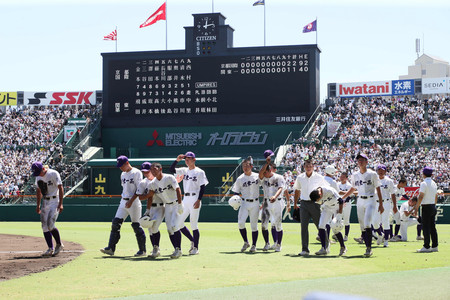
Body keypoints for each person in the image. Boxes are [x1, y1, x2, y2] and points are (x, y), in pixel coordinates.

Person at [100, 156, 146, 257]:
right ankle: (111, 248)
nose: (120, 168)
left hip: (134, 202)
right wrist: (126, 201)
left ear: (127, 163)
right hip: (123, 201)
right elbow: (124, 188)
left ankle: (142, 250)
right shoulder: (123, 174)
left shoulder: (136, 172)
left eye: (121, 165)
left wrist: (131, 201)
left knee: (136, 226)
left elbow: (139, 189)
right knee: (116, 223)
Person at [341, 153, 384, 257]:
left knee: (367, 223)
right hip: (360, 200)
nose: (360, 161)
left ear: (366, 162)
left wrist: (381, 204)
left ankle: (369, 248)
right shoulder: (355, 175)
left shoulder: (372, 174)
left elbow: (378, 188)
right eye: (359, 160)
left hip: (371, 200)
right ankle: (367, 245)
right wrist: (343, 197)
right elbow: (353, 188)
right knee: (362, 226)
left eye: (362, 160)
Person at [170, 151, 208, 255]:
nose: (187, 160)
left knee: (193, 224)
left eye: (189, 159)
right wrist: (177, 160)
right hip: (185, 199)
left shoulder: (200, 172)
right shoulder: (184, 170)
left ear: (194, 160)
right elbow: (171, 169)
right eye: (186, 159)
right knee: (178, 223)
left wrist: (199, 200)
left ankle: (196, 248)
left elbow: (202, 187)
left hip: (195, 198)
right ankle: (192, 240)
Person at [147, 162, 184, 258]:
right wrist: (147, 210)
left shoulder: (169, 178)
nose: (153, 171)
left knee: (174, 226)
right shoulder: (153, 183)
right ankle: (176, 249)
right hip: (167, 205)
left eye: (154, 169)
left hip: (176, 203)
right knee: (169, 229)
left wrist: (180, 204)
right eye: (151, 170)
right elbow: (150, 197)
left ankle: (179, 250)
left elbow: (178, 190)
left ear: (160, 169)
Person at [293, 159, 326, 256]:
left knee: (320, 226)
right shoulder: (300, 177)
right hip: (303, 203)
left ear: (313, 167)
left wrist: (321, 201)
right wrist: (295, 204)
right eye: (307, 166)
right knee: (303, 227)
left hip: (315, 204)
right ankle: (305, 249)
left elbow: (324, 190)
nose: (308, 167)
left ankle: (325, 246)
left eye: (310, 166)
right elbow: (297, 190)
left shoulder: (319, 177)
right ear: (304, 167)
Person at [32, 162, 64, 257]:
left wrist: (61, 203)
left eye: (38, 172)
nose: (37, 174)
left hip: (55, 200)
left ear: (43, 169)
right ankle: (50, 248)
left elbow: (60, 188)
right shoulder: (38, 177)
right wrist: (38, 205)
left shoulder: (53, 173)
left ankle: (59, 244)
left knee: (50, 225)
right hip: (45, 202)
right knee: (44, 226)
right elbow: (38, 192)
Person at [231, 156, 261, 253]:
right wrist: (235, 200)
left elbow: (264, 185)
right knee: (240, 223)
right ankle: (246, 242)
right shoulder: (240, 178)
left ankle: (254, 245)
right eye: (244, 166)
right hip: (244, 202)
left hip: (255, 202)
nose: (245, 167)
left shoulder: (257, 176)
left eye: (247, 165)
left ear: (251, 166)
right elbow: (235, 192)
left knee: (254, 226)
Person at [136, 162, 165, 258]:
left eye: (147, 171)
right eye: (144, 172)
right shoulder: (144, 183)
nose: (146, 173)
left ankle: (156, 248)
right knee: (150, 229)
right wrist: (147, 210)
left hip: (161, 206)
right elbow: (141, 197)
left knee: (155, 227)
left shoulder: (159, 180)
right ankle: (155, 248)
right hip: (151, 207)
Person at [259, 154, 286, 252]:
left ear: (269, 171)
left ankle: (279, 244)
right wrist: (267, 162)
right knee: (264, 224)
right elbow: (260, 174)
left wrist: (275, 196)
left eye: (265, 172)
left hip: (277, 202)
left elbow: (280, 188)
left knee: (278, 224)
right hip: (266, 202)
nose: (263, 175)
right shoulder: (263, 178)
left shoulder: (278, 177)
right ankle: (267, 243)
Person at [309, 185, 347, 256]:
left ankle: (343, 247)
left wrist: (339, 215)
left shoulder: (329, 191)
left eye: (318, 199)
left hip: (337, 207)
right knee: (321, 226)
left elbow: (341, 201)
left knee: (335, 228)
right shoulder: (315, 193)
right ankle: (324, 248)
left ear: (320, 194)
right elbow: (320, 202)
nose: (318, 201)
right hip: (327, 207)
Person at [414, 167, 438, 253]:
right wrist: (434, 205)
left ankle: (426, 246)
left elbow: (421, 196)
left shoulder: (423, 183)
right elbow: (436, 196)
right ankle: (435, 246)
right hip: (432, 206)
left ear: (423, 174)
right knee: (432, 227)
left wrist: (416, 207)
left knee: (426, 227)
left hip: (426, 206)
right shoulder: (434, 183)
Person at [372, 164, 396, 247]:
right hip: (376, 202)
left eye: (382, 170)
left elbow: (393, 194)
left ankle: (386, 240)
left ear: (385, 171)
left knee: (386, 221)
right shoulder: (374, 180)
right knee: (375, 222)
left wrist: (395, 206)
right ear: (377, 171)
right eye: (379, 170)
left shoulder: (389, 181)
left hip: (386, 202)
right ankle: (380, 234)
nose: (381, 171)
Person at [338, 172, 354, 241]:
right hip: (338, 203)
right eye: (341, 176)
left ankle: (346, 236)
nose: (341, 178)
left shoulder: (349, 185)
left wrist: (344, 201)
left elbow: (351, 195)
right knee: (338, 219)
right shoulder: (337, 184)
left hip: (346, 204)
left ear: (346, 178)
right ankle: (338, 234)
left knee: (346, 220)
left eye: (343, 177)